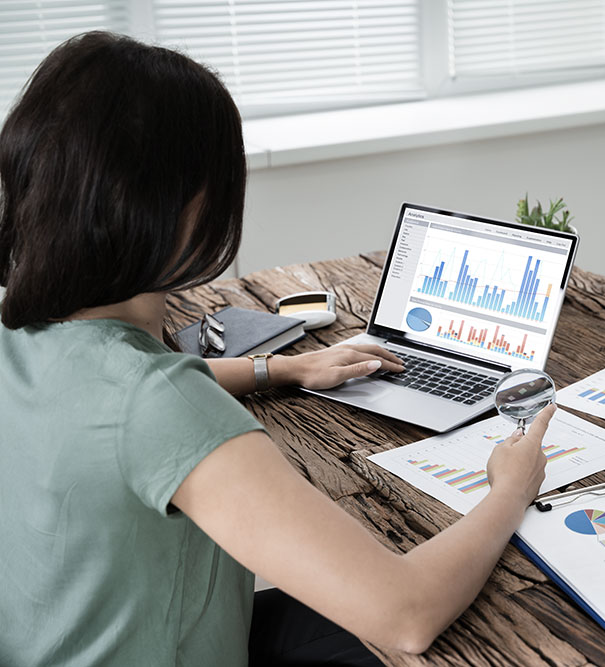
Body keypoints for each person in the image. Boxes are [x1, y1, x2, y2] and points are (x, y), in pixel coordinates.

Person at [0, 32, 553, 666]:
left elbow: (112, 408)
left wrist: (278, 368)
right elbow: (406, 614)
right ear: (170, 201)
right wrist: (510, 490)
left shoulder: (21, 335)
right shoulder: (157, 403)